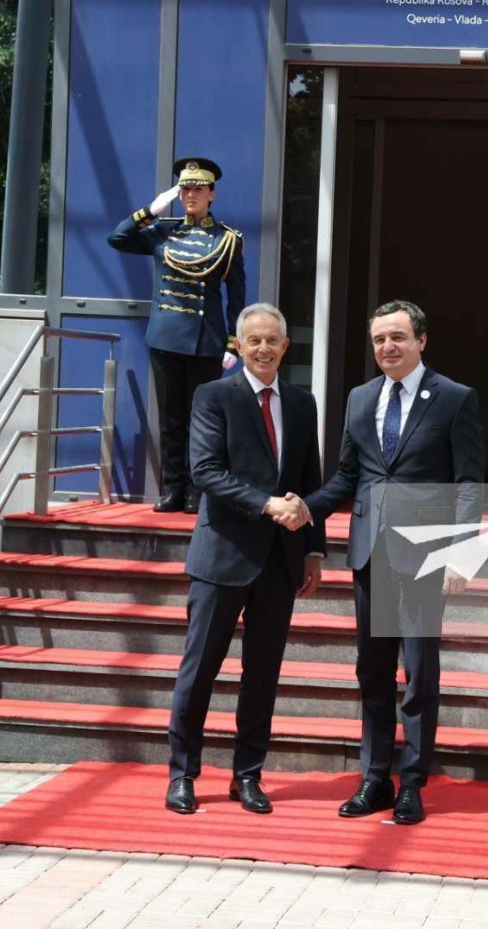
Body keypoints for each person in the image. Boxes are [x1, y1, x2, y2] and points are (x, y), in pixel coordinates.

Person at [301, 300, 484, 825]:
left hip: (425, 555)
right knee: (373, 670)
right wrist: (305, 507)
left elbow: (468, 483)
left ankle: (413, 783)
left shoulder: (454, 398)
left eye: (398, 337)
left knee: (419, 672)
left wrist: (462, 553)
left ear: (421, 340)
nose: (388, 347)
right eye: (380, 339)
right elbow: (346, 476)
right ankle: (375, 777)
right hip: (370, 551)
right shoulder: (360, 399)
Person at [163, 303, 324, 816]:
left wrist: (314, 550)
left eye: (272, 340)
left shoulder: (302, 403)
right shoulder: (214, 396)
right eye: (254, 340)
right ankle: (183, 774)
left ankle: (248, 775)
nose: (263, 349)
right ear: (238, 344)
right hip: (223, 555)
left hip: (281, 560)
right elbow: (206, 470)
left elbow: (311, 477)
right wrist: (267, 504)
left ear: (285, 345)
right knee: (200, 670)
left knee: (263, 674)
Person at [107, 157, 246, 514]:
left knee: (202, 420)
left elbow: (236, 297)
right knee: (171, 420)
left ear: (212, 194)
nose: (190, 195)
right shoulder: (163, 231)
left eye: (198, 189)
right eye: (185, 189)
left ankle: (198, 490)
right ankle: (173, 489)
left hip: (205, 341)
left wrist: (233, 343)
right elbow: (118, 238)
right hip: (166, 337)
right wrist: (150, 211)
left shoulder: (227, 240)